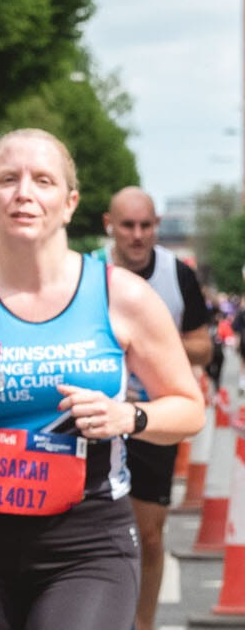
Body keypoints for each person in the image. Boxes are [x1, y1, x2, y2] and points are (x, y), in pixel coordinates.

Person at [0, 130, 203, 629]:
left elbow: (189, 409)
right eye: (9, 179)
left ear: (69, 201)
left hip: (88, 543)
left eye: (43, 180)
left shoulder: (121, 296)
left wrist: (127, 415)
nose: (24, 193)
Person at [100, 186, 212, 630]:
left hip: (153, 421)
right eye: (127, 225)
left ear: (157, 226)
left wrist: (153, 346)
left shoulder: (176, 275)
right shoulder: (89, 272)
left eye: (146, 225)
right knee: (96, 537)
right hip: (97, 422)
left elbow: (204, 345)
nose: (137, 235)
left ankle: (142, 624)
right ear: (110, 225)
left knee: (147, 536)